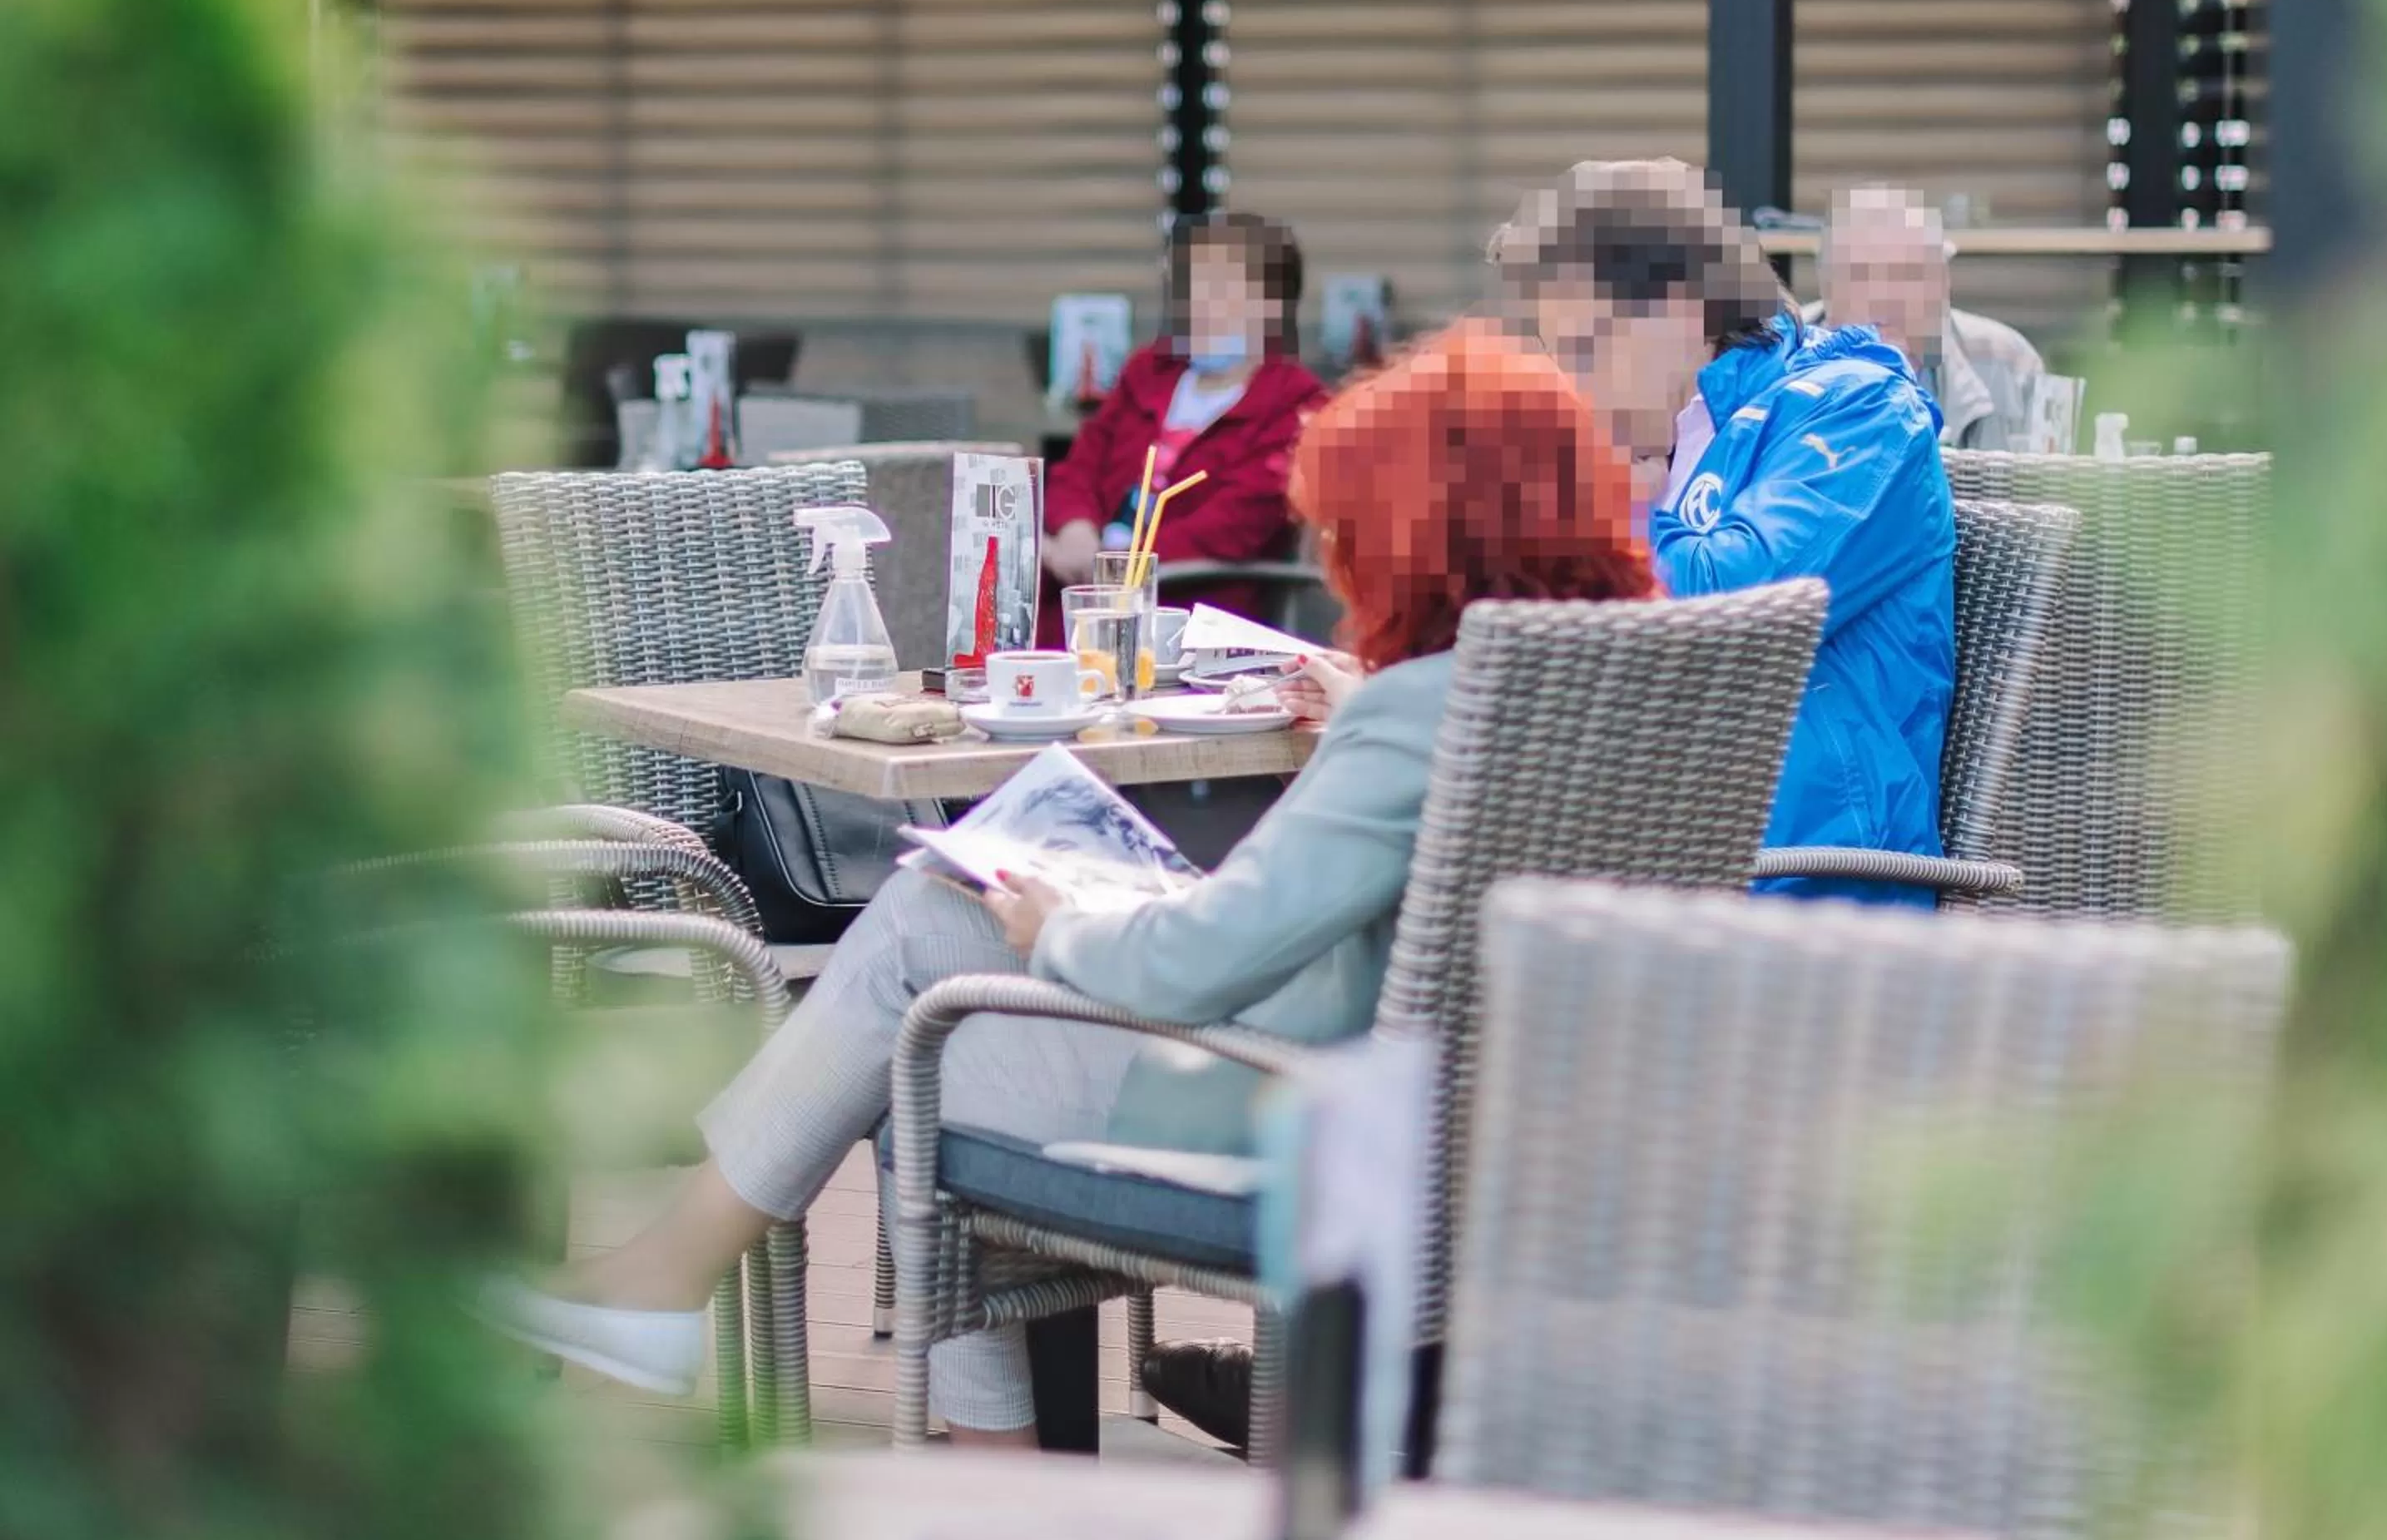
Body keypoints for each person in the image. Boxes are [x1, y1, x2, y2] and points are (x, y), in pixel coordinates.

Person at [478, 323, 1654, 1442]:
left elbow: (1198, 963)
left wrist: (1054, 930)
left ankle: (685, 1291)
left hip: (1290, 1105)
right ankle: (683, 1293)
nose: (1334, 558)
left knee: (921, 993)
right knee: (929, 971)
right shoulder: (1579, 685)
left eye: (1347, 534)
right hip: (1484, 1122)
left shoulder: (1412, 715)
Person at [1488, 158, 1956, 904]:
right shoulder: (1662, 443)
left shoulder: (1860, 411)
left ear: (1680, 309)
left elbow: (1727, 618)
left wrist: (1618, 507)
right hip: (1643, 869)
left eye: (1584, 349)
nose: (1570, 386)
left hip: (1800, 891)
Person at [1039, 212, 1327, 636]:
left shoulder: (1299, 407)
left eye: (1218, 290)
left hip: (1186, 621)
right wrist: (1075, 529)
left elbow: (1232, 529)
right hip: (1078, 603)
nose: (1196, 306)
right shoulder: (1148, 372)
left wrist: (1104, 568)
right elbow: (1079, 468)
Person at [1811, 185, 2046, 452]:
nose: (1885, 296)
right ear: (1825, 287)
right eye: (1862, 275)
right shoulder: (1775, 359)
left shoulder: (2009, 363)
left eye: (1908, 273)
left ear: (1943, 283)